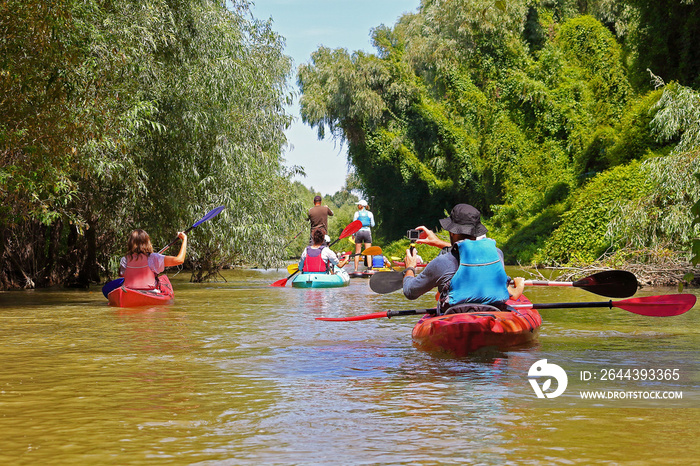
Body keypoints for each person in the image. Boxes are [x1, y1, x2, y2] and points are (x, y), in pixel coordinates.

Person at [402, 204, 524, 314]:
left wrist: (410, 267)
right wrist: (438, 242)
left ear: (452, 232)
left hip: (455, 319)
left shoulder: (442, 263)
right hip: (494, 314)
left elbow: (410, 292)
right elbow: (466, 252)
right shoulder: (497, 254)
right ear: (476, 231)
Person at [119, 229, 187, 290]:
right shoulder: (154, 258)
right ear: (147, 242)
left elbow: (122, 275)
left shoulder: (124, 259)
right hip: (150, 291)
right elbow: (179, 260)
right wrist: (184, 239)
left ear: (130, 243)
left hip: (129, 290)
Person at [352, 199, 375, 272]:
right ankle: (369, 269)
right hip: (367, 232)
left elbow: (354, 224)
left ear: (361, 206)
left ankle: (355, 269)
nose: (357, 206)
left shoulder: (357, 213)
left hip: (359, 232)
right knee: (368, 252)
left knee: (357, 252)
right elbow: (373, 225)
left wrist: (353, 234)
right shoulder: (370, 214)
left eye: (358, 204)